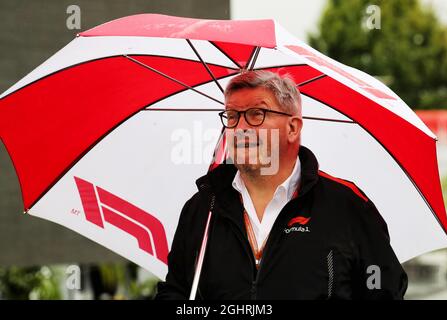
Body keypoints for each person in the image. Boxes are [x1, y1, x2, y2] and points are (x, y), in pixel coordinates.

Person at [155, 70, 408, 300]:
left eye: (256, 114)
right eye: (232, 116)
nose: (240, 128)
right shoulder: (203, 207)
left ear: (292, 127)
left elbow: (385, 291)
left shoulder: (347, 206)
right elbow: (175, 291)